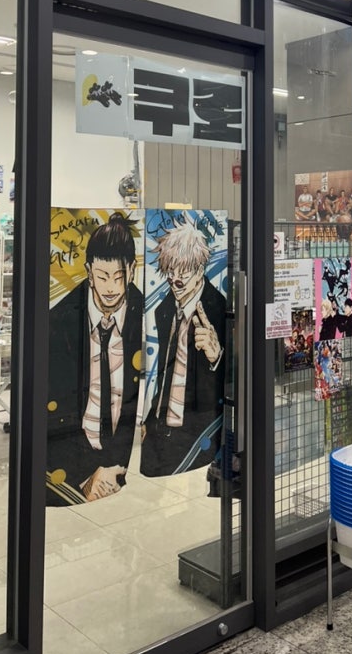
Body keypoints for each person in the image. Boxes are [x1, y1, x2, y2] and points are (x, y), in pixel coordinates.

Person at [46, 213, 143, 505]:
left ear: (132, 270)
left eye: (119, 277)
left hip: (121, 454)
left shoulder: (145, 312)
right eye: (102, 277)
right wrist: (85, 475)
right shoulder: (60, 321)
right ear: (89, 272)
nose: (110, 288)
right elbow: (54, 411)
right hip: (72, 458)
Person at [140, 220, 226, 477]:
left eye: (182, 277)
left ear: (199, 270)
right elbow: (166, 370)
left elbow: (238, 371)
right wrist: (151, 417)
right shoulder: (164, 310)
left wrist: (217, 356)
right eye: (170, 276)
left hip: (200, 426)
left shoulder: (217, 307)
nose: (175, 282)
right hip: (162, 426)